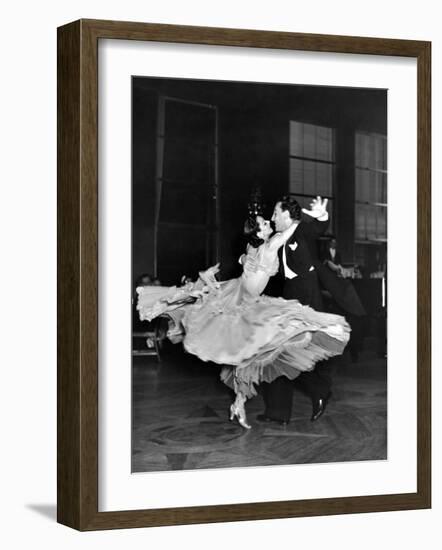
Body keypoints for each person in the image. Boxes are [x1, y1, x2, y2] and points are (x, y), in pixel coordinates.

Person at [137, 199, 350, 429]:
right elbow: (289, 230)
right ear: (259, 232)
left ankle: (243, 403)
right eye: (264, 222)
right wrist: (296, 219)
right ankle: (262, 407)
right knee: (250, 352)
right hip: (244, 302)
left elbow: (296, 232)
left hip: (244, 296)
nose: (270, 219)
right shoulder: (270, 245)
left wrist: (318, 218)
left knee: (250, 354)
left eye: (274, 215)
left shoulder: (254, 247)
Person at [258, 195, 336, 426]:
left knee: (287, 356)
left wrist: (322, 214)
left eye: (275, 213)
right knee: (276, 355)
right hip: (288, 297)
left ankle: (319, 390)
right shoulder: (278, 238)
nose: (272, 218)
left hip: (306, 302)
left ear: (286, 215)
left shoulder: (301, 231)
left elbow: (318, 227)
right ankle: (279, 411)